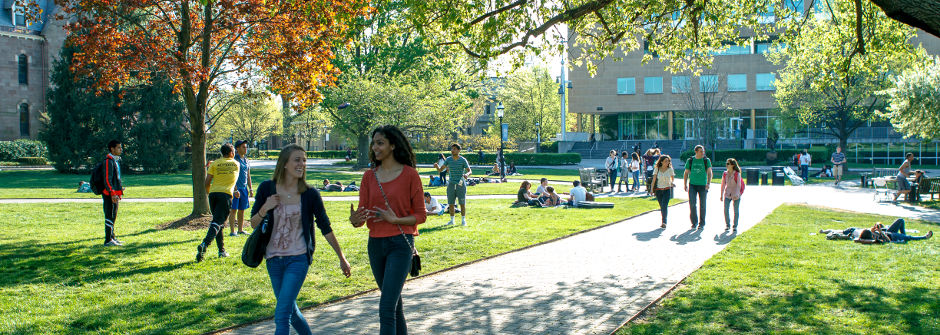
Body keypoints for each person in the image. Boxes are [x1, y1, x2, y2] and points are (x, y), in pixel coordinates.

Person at [249, 144, 351, 335]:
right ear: (284, 163)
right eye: (297, 160)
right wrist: (266, 207)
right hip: (273, 260)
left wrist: (341, 257)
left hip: (298, 258)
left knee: (281, 315)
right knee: (291, 311)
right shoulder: (266, 188)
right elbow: (253, 224)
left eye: (304, 160)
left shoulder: (310, 194)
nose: (302, 164)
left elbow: (325, 227)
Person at [349, 125, 426, 335]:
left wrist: (396, 219)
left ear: (393, 145)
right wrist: (355, 220)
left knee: (386, 307)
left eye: (380, 143)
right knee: (394, 306)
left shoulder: (410, 175)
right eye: (374, 143)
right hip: (376, 245)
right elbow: (362, 217)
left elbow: (421, 215)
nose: (375, 147)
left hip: (401, 245)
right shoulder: (368, 177)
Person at [197, 143, 240, 261]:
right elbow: (232, 177)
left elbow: (207, 182)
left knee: (218, 223)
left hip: (213, 194)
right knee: (218, 221)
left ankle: (221, 251)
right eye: (233, 152)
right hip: (225, 195)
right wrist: (234, 190)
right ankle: (204, 244)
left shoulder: (215, 164)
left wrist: (208, 192)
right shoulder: (236, 164)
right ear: (231, 153)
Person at [435, 143, 472, 226]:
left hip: (461, 182)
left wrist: (467, 174)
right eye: (452, 149)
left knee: (462, 202)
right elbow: (441, 170)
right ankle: (452, 220)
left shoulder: (463, 160)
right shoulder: (448, 159)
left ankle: (463, 220)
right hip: (451, 183)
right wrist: (437, 167)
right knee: (451, 202)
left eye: (454, 149)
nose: (452, 150)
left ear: (459, 150)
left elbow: (470, 170)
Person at [822, 219, 933, 243]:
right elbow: (887, 240)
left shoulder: (859, 233)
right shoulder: (873, 238)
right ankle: (924, 237)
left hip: (888, 232)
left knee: (901, 221)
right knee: (908, 237)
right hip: (891, 235)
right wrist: (879, 232)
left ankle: (903, 234)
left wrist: (875, 229)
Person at [101, 140, 125, 246]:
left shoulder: (115, 161)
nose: (121, 149)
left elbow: (116, 178)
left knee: (113, 215)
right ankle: (108, 240)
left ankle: (112, 237)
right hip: (109, 194)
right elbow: (107, 179)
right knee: (109, 215)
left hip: (115, 193)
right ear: (112, 149)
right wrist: (112, 193)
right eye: (119, 147)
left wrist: (119, 189)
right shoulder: (108, 161)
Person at [684, 145, 713, 230]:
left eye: (703, 151)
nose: (703, 153)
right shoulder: (690, 160)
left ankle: (702, 223)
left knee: (703, 205)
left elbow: (709, 172)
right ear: (696, 152)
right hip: (692, 185)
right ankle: (694, 223)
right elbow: (686, 173)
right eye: (701, 151)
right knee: (692, 204)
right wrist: (685, 184)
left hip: (703, 185)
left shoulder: (706, 160)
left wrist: (708, 183)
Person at [229, 140, 254, 236]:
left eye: (246, 146)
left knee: (242, 209)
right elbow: (232, 176)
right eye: (243, 147)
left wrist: (250, 188)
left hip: (244, 188)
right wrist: (235, 189)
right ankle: (232, 231)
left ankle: (240, 230)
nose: (245, 148)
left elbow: (248, 176)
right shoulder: (234, 160)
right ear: (237, 148)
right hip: (235, 188)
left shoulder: (246, 160)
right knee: (233, 209)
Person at [649, 155, 674, 228]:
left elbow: (672, 178)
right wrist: (651, 189)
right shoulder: (657, 169)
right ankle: (663, 220)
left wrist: (671, 183)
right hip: (658, 190)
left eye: (668, 161)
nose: (667, 162)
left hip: (667, 189)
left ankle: (664, 222)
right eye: (666, 161)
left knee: (664, 205)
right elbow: (653, 180)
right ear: (662, 162)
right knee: (662, 206)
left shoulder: (670, 169)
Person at [720, 158, 744, 232]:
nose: (726, 165)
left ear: (732, 165)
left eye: (728, 164)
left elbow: (738, 185)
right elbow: (723, 184)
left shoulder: (737, 174)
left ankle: (735, 226)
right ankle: (727, 225)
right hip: (727, 193)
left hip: (736, 194)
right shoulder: (725, 174)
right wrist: (721, 194)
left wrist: (737, 194)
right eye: (726, 163)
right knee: (726, 209)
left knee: (736, 210)